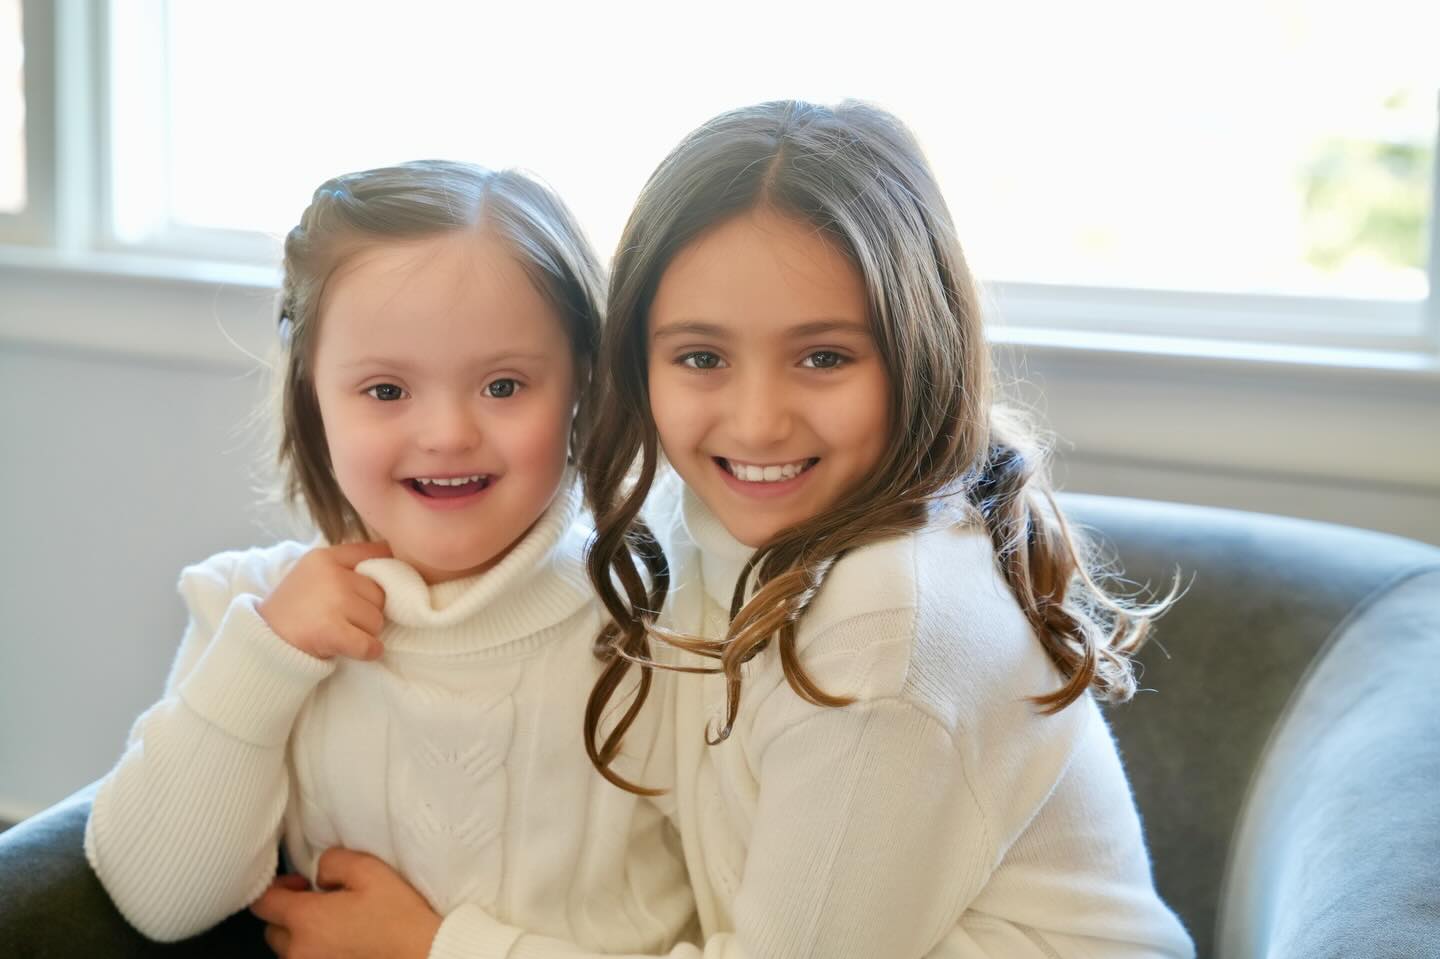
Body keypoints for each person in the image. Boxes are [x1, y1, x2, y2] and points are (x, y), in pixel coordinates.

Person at [458, 100, 1198, 957]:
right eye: (702, 357)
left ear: (919, 349)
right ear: (639, 360)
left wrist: (436, 945)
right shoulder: (698, 526)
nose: (759, 422)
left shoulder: (888, 625)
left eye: (824, 357)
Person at [83, 160, 694, 958]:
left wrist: (436, 947)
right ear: (313, 391)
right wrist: (266, 659)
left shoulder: (666, 630)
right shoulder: (254, 610)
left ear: (582, 379)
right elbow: (157, 898)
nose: (446, 432)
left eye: (504, 385)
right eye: (384, 391)